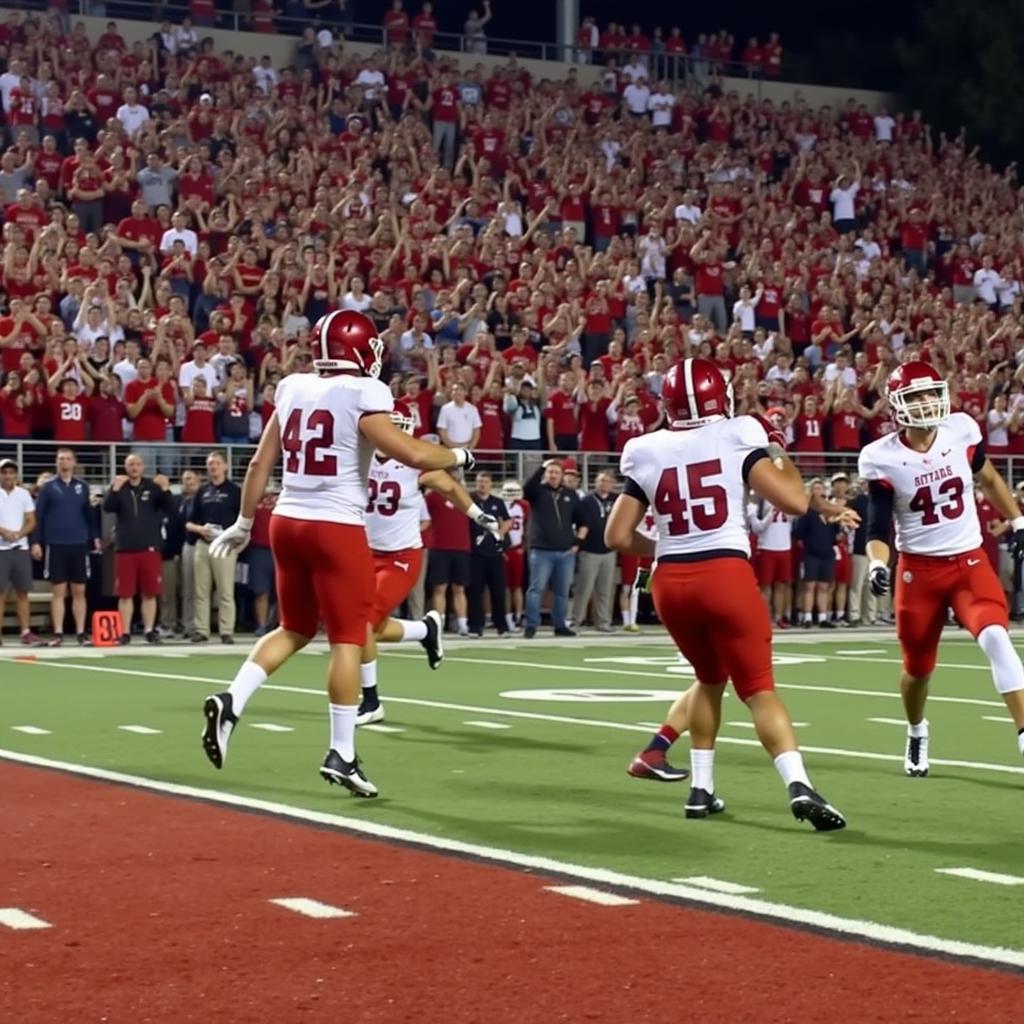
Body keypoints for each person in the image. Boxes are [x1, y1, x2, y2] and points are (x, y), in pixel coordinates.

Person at [200, 311, 477, 798]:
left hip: (287, 520)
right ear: (362, 350)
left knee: (294, 627)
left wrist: (245, 522)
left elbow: (262, 461)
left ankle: (232, 699)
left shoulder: (292, 387)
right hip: (336, 524)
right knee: (349, 637)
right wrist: (460, 456)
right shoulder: (365, 392)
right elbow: (410, 454)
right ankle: (342, 752)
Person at [606, 358, 847, 830]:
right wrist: (779, 450)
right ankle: (799, 784)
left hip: (671, 583)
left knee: (709, 678)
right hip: (724, 572)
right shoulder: (738, 432)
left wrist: (667, 547)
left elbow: (616, 535)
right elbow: (795, 502)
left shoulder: (646, 447)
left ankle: (701, 789)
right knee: (757, 689)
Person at [859, 361, 1024, 776]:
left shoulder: (961, 430)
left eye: (931, 393)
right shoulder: (883, 457)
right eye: (915, 396)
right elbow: (879, 524)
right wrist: (879, 563)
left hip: (969, 562)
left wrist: (1018, 520)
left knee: (996, 639)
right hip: (919, 573)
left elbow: (987, 477)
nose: (928, 402)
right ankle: (916, 730)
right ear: (898, 406)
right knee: (917, 670)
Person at [360, 416, 502, 724]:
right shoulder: (360, 453)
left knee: (363, 623)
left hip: (401, 556)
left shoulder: (415, 462)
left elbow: (449, 486)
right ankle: (425, 630)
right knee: (362, 625)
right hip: (364, 553)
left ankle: (371, 701)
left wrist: (478, 515)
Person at [102, 454, 174, 644]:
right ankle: (124, 632)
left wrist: (166, 489)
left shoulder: (152, 487)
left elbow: (170, 508)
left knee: (150, 592)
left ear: (143, 467)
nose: (134, 467)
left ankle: (150, 630)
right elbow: (108, 507)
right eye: (130, 464)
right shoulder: (120, 487)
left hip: (149, 547)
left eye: (138, 464)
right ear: (125, 467)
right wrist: (115, 489)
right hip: (125, 548)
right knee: (125, 594)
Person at [30, 448, 100, 645]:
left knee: (79, 590)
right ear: (56, 462)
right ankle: (58, 633)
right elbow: (39, 516)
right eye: (61, 459)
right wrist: (36, 541)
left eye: (68, 459)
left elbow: (89, 515)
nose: (64, 462)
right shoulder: (48, 487)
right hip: (56, 544)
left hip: (78, 543)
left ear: (74, 462)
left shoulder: (83, 487)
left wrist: (94, 537)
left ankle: (80, 632)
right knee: (59, 591)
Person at [522, 458, 586, 639]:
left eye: (556, 472)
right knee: (536, 589)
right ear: (545, 474)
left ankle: (560, 625)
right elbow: (526, 490)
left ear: (562, 475)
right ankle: (531, 625)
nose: (553, 475)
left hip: (565, 552)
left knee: (562, 591)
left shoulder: (571, 494)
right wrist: (541, 467)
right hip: (541, 550)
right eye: (550, 472)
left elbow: (583, 522)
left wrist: (577, 543)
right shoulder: (537, 492)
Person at [188, 451, 242, 643]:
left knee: (225, 591)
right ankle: (202, 630)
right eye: (210, 464)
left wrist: (238, 545)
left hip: (225, 545)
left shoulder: (235, 491)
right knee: (201, 591)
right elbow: (189, 522)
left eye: (217, 463)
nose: (213, 467)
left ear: (225, 466)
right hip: (204, 544)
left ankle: (226, 630)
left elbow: (244, 520)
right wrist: (201, 529)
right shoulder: (202, 491)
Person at [466, 471, 511, 638]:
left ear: (491, 484)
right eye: (480, 481)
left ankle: (502, 626)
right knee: (475, 591)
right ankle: (475, 627)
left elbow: (507, 520)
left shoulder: (497, 502)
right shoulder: (470, 500)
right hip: (475, 553)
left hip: (494, 553)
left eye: (485, 481)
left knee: (498, 590)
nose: (482, 484)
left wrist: (500, 533)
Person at [572, 471, 618, 632]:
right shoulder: (586, 501)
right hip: (590, 550)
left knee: (605, 590)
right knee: (584, 588)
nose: (605, 483)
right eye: (602, 480)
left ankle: (603, 621)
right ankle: (576, 620)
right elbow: (581, 524)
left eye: (608, 481)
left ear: (612, 484)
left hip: (609, 551)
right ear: (596, 483)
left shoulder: (617, 500)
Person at [0, 457, 38, 645]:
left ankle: (25, 632)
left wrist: (19, 534)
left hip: (20, 548)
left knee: (23, 592)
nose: (8, 475)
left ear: (16, 474)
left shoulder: (23, 494)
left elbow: (31, 520)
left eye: (11, 472)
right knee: (0, 593)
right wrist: (4, 531)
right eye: (4, 472)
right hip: (1, 549)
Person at [501, 479, 529, 630]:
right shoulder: (499, 505)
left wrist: (524, 546)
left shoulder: (524, 506)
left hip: (517, 548)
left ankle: (518, 615)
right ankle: (506, 616)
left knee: (516, 586)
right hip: (504, 549)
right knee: (504, 586)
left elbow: (529, 526)